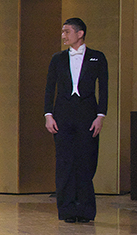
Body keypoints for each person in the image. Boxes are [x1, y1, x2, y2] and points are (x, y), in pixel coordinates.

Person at [44, 17, 109, 223]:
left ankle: (85, 210)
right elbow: (49, 88)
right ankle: (67, 210)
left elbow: (104, 88)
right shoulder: (57, 58)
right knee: (64, 162)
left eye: (67, 31)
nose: (63, 35)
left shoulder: (97, 57)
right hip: (62, 115)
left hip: (87, 115)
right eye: (63, 31)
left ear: (80, 34)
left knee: (86, 161)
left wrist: (100, 115)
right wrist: (48, 114)